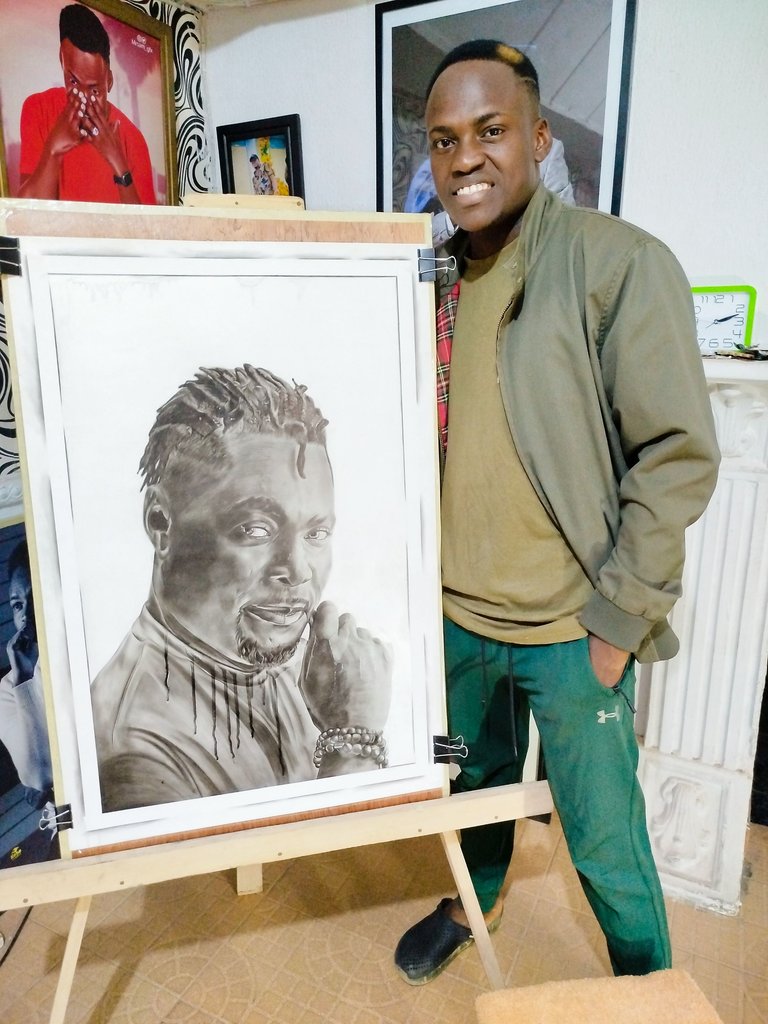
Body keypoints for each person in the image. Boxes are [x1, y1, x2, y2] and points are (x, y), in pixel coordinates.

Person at [394, 40, 720, 984]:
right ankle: (477, 900)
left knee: (604, 834)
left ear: (538, 139)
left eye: (491, 131)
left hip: (572, 631)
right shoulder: (425, 280)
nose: (465, 158)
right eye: (445, 139)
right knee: (475, 787)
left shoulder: (617, 263)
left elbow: (676, 455)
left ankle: (647, 984)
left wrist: (617, 625)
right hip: (458, 620)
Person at [91, 365, 392, 813]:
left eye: (316, 534)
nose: (297, 571)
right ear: (160, 523)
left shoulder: (297, 667)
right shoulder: (135, 753)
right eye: (255, 530)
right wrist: (354, 739)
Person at [18, 4, 156, 205]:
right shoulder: (38, 108)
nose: (83, 100)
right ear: (62, 60)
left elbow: (147, 224)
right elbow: (24, 214)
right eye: (73, 82)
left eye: (94, 91)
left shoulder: (133, 139)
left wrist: (119, 164)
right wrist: (53, 151)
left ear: (109, 81)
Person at [0, 540, 54, 811]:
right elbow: (39, 777)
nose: (27, 615)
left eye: (36, 598)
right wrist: (24, 678)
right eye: (18, 605)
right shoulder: (7, 688)